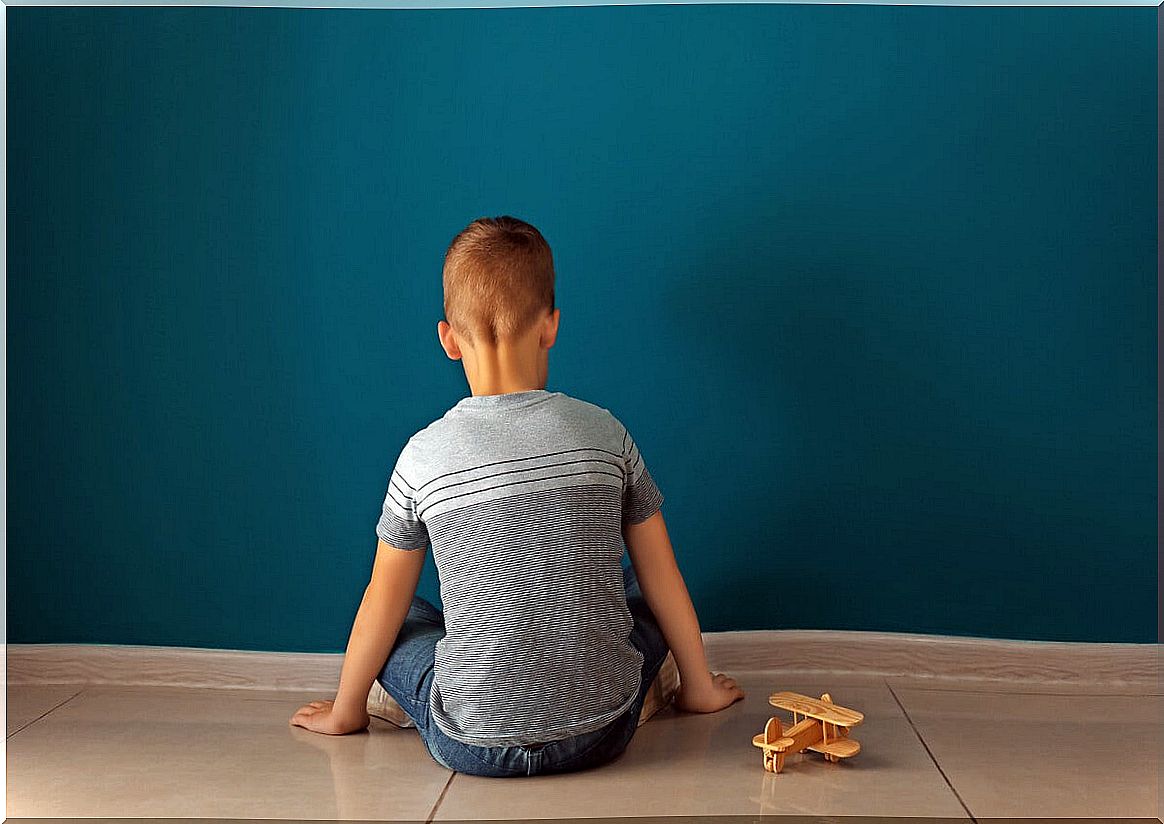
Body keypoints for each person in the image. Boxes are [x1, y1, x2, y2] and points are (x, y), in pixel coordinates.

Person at [289, 216, 745, 776]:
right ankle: (664, 686)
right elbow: (663, 572)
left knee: (398, 608)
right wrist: (700, 688)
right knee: (640, 585)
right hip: (602, 731)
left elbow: (383, 602)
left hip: (472, 743)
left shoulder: (421, 457)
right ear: (550, 326)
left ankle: (393, 702)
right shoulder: (605, 433)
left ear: (448, 340)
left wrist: (343, 711)